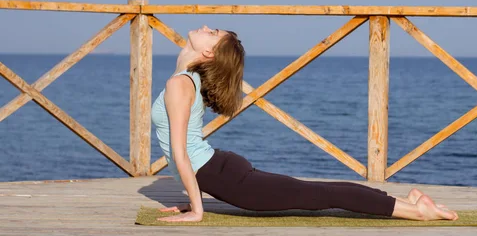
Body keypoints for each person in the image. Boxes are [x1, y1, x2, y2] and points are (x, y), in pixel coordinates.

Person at [151, 25, 458, 223]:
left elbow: (180, 154)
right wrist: (193, 198)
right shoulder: (185, 79)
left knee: (323, 195)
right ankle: (407, 202)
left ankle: (415, 211)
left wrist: (196, 209)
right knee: (318, 191)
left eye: (213, 31)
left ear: (208, 52)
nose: (205, 27)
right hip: (220, 170)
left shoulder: (179, 84)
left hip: (228, 178)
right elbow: (188, 152)